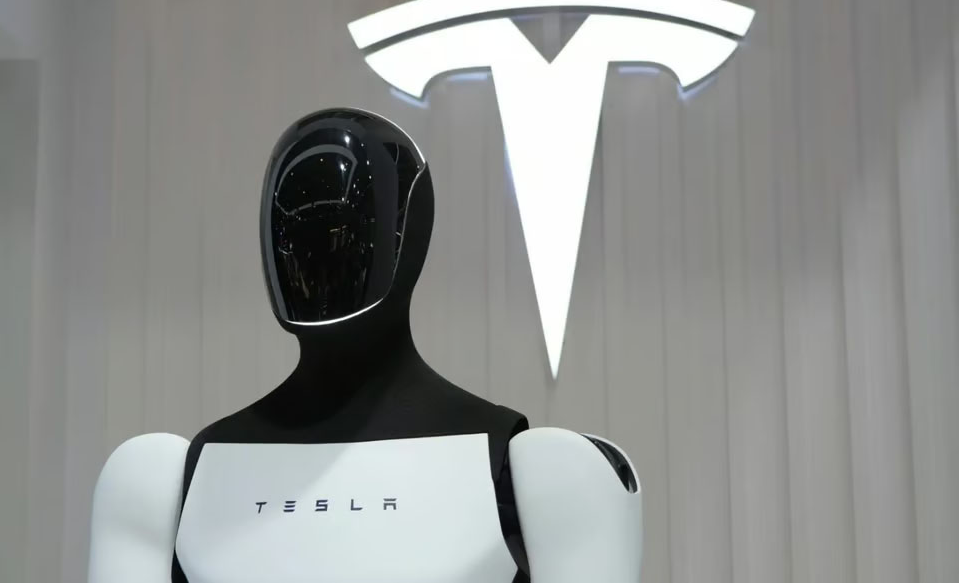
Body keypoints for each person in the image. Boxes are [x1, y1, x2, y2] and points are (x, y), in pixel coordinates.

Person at [87, 108, 642, 583]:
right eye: (298, 228)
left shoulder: (546, 475)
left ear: (412, 236)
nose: (312, 253)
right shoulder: (161, 483)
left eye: (336, 229)